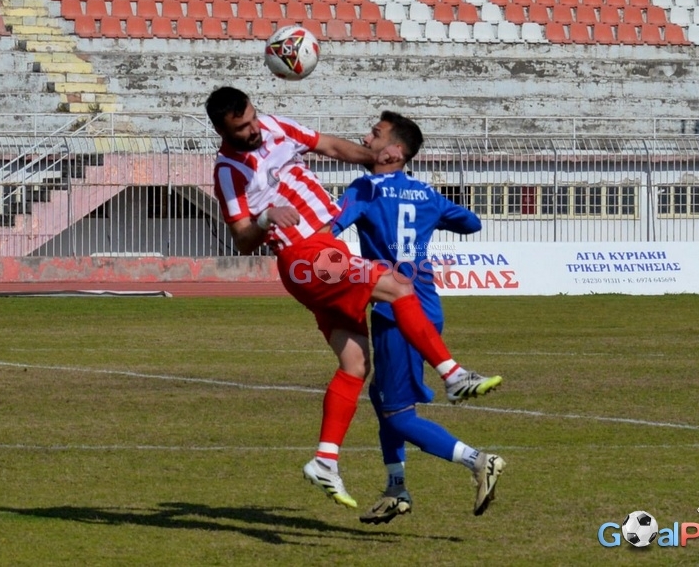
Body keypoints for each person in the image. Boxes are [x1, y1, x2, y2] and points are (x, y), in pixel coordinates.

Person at [206, 87, 501, 509]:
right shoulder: (227, 169)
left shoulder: (274, 126)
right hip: (306, 254)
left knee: (356, 363)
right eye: (242, 128)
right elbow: (241, 239)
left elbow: (330, 146)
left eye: (253, 119)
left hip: (322, 253)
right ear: (222, 130)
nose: (253, 130)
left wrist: (373, 158)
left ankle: (326, 460)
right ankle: (453, 375)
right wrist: (266, 217)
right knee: (397, 286)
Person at [332, 111, 506, 523]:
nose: (365, 138)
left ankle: (479, 461)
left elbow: (331, 227)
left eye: (375, 134)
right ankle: (395, 487)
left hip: (395, 310)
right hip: (425, 305)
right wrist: (432, 211)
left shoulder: (365, 188)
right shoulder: (425, 193)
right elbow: (471, 223)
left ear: (394, 151)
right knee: (381, 395)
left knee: (399, 413)